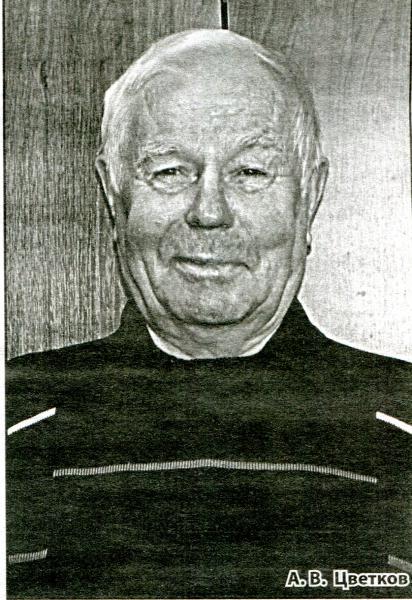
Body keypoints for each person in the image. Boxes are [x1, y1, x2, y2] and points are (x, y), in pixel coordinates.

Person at [7, 29, 411, 598]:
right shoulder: (13, 423)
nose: (210, 211)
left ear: (311, 196)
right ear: (115, 195)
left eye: (251, 172)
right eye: (170, 171)